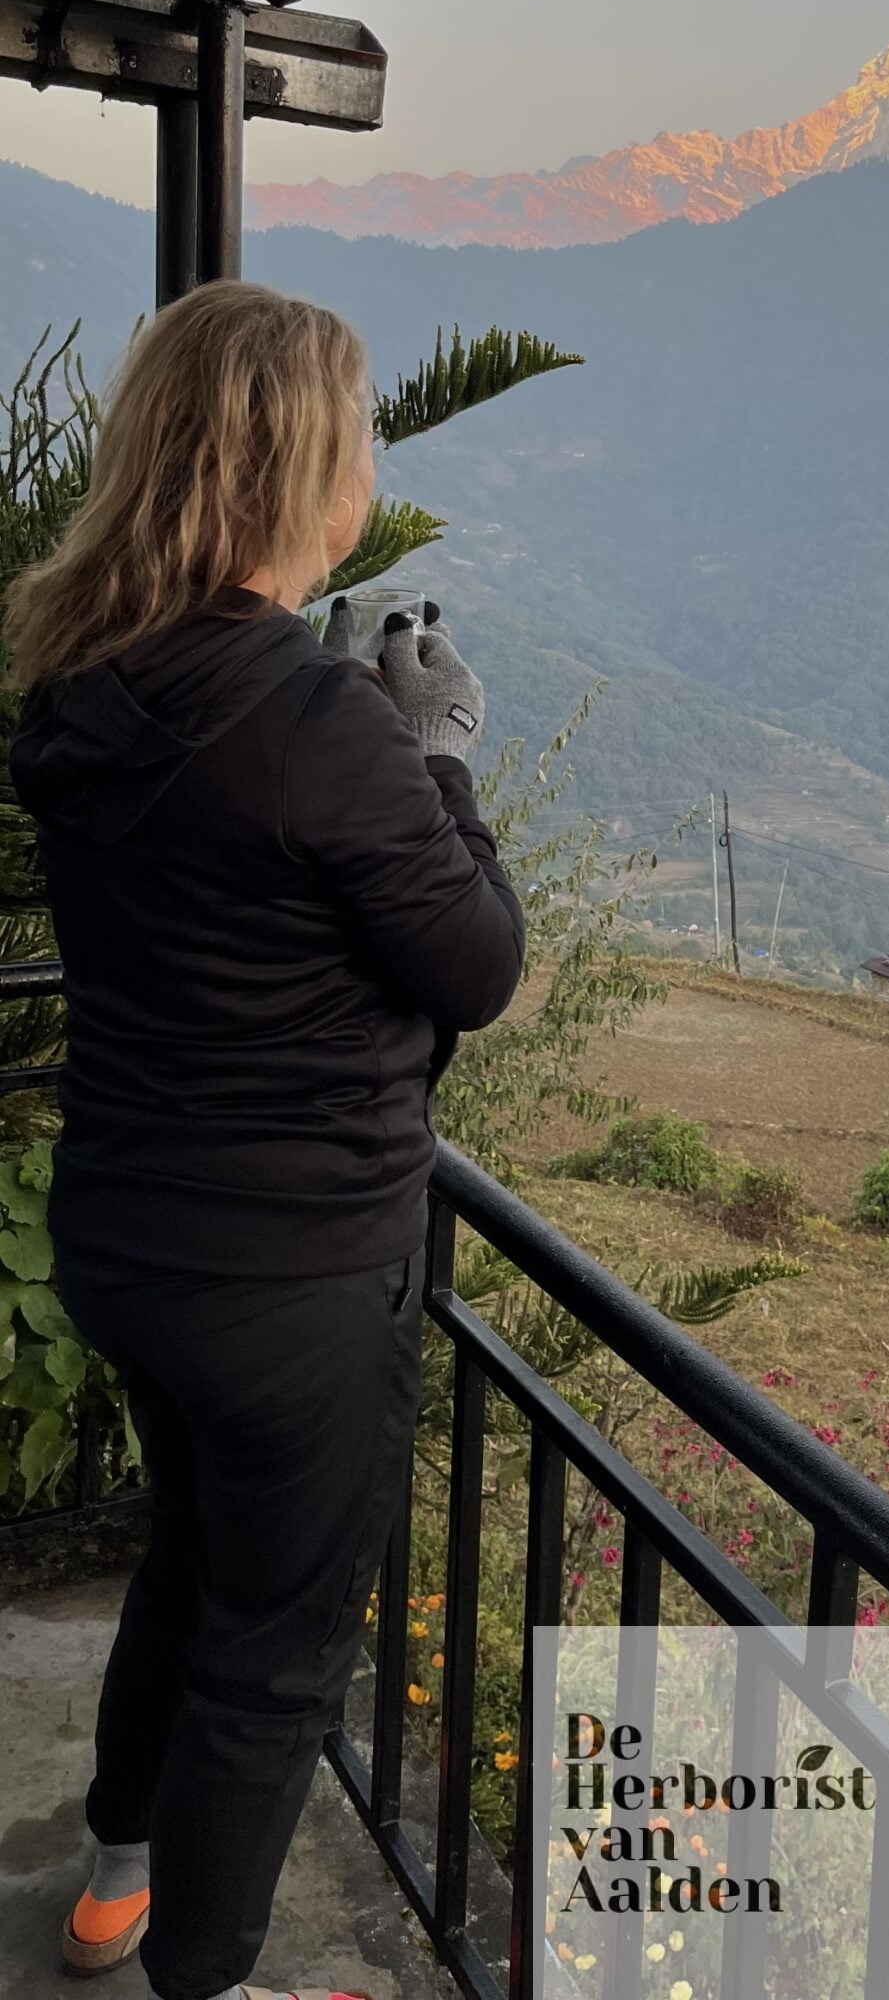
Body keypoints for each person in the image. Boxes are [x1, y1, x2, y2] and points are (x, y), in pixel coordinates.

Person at [8, 282, 525, 2000]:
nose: (371, 461)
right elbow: (476, 963)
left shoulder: (84, 684)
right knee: (279, 1654)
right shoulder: (316, 722)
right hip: (296, 1273)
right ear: (303, 470)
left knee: (191, 1551)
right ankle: (207, 1980)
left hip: (133, 1239)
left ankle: (112, 1883)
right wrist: (439, 757)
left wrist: (377, 745)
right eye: (359, 434)